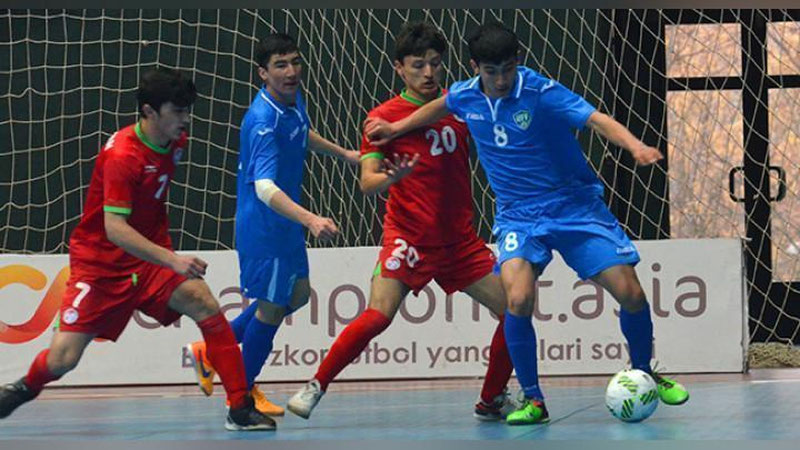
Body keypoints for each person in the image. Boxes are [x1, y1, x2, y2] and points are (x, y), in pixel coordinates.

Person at [364, 22, 690, 426]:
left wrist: (635, 146)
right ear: (475, 67)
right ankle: (533, 399)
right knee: (517, 299)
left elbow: (596, 119)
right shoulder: (466, 94)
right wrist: (397, 128)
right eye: (491, 72)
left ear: (517, 61)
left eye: (507, 69)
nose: (501, 80)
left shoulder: (540, 91)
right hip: (518, 216)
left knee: (632, 293)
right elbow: (442, 106)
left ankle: (644, 372)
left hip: (573, 207)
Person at [0, 68, 274, 431]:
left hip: (148, 262)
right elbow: (114, 229)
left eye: (187, 110)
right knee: (63, 359)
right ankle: (20, 390)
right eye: (177, 111)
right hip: (101, 266)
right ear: (149, 111)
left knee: (204, 303)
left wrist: (163, 255)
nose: (185, 119)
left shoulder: (176, 141)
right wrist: (173, 260)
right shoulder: (123, 156)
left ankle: (239, 407)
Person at [285, 22, 515, 422]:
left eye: (435, 64)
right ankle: (315, 385)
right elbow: (367, 183)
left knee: (516, 311)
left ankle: (491, 399)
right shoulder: (382, 118)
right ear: (399, 68)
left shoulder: (459, 105)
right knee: (378, 314)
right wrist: (391, 178)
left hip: (459, 243)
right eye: (418, 65)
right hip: (408, 239)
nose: (428, 73)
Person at [184, 33, 359, 417]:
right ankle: (240, 400)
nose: (291, 71)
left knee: (298, 295)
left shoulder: (292, 100)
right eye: (280, 65)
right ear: (263, 73)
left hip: (285, 226)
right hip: (265, 229)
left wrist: (343, 153)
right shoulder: (261, 119)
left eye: (295, 62)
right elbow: (263, 187)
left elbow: (299, 134)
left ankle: (211, 351)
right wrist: (310, 219)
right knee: (271, 310)